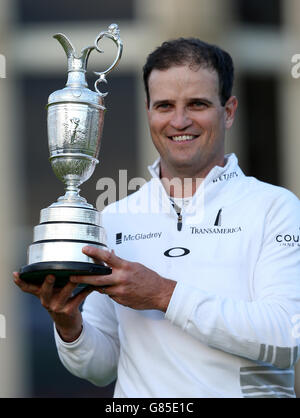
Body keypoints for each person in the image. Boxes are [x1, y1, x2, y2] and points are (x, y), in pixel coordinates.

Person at [14, 38, 300, 398]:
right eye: (165, 105)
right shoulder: (113, 218)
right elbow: (100, 367)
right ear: (148, 111)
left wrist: (163, 294)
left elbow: (286, 338)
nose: (179, 121)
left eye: (197, 104)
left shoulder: (275, 208)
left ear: (228, 111)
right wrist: (69, 324)